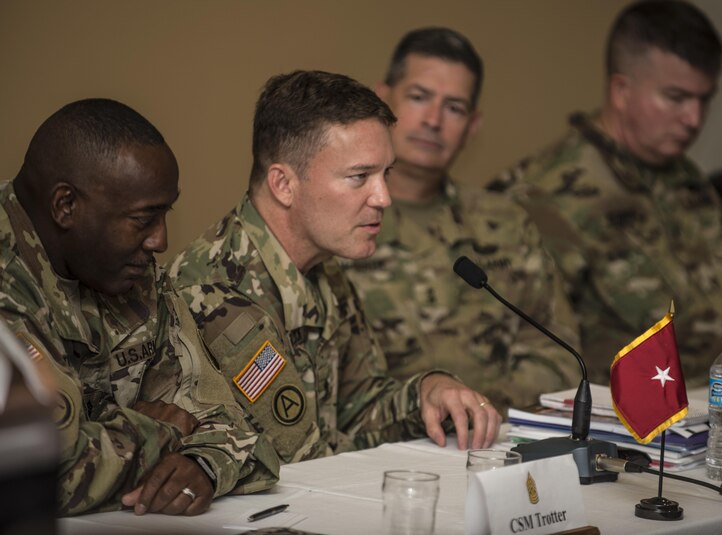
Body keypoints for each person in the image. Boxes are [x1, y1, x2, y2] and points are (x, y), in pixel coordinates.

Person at [168, 70, 501, 465]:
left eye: (385, 174)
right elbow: (296, 458)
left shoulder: (324, 269)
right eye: (360, 177)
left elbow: (354, 409)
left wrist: (428, 392)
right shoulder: (212, 289)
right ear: (283, 185)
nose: (383, 198)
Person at [0, 99, 279, 516]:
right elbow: (40, 473)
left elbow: (238, 429)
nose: (160, 242)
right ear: (65, 206)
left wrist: (201, 463)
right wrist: (161, 429)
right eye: (143, 218)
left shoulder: (130, 273)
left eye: (165, 214)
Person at [488, 0, 722, 386]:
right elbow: (531, 354)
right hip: (630, 426)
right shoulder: (545, 194)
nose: (694, 119)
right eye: (676, 98)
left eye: (705, 99)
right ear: (621, 90)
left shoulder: (689, 180)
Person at [339, 27, 580, 410]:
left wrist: (477, 407)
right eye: (419, 98)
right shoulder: (337, 217)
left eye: (454, 108)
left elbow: (559, 353)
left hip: (495, 437)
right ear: (381, 101)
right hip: (381, 445)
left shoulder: (505, 222)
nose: (434, 120)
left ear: (473, 126)